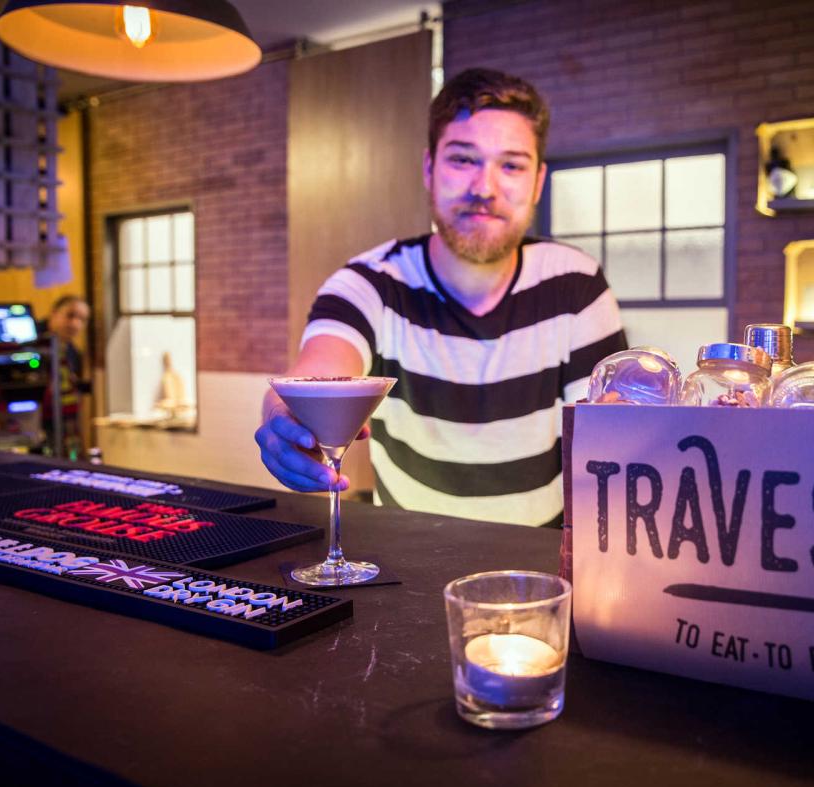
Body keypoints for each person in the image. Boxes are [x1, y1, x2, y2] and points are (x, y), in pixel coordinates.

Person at [256, 68, 627, 527]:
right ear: (429, 169)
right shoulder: (371, 283)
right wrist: (285, 418)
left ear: (537, 182)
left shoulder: (576, 284)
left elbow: (608, 438)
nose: (484, 188)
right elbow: (317, 370)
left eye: (511, 165)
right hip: (408, 553)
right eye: (463, 159)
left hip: (544, 556)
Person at [39, 294, 91, 455]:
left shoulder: (73, 352)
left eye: (82, 320)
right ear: (54, 313)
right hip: (35, 423)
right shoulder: (33, 342)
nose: (75, 324)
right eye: (70, 315)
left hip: (63, 422)